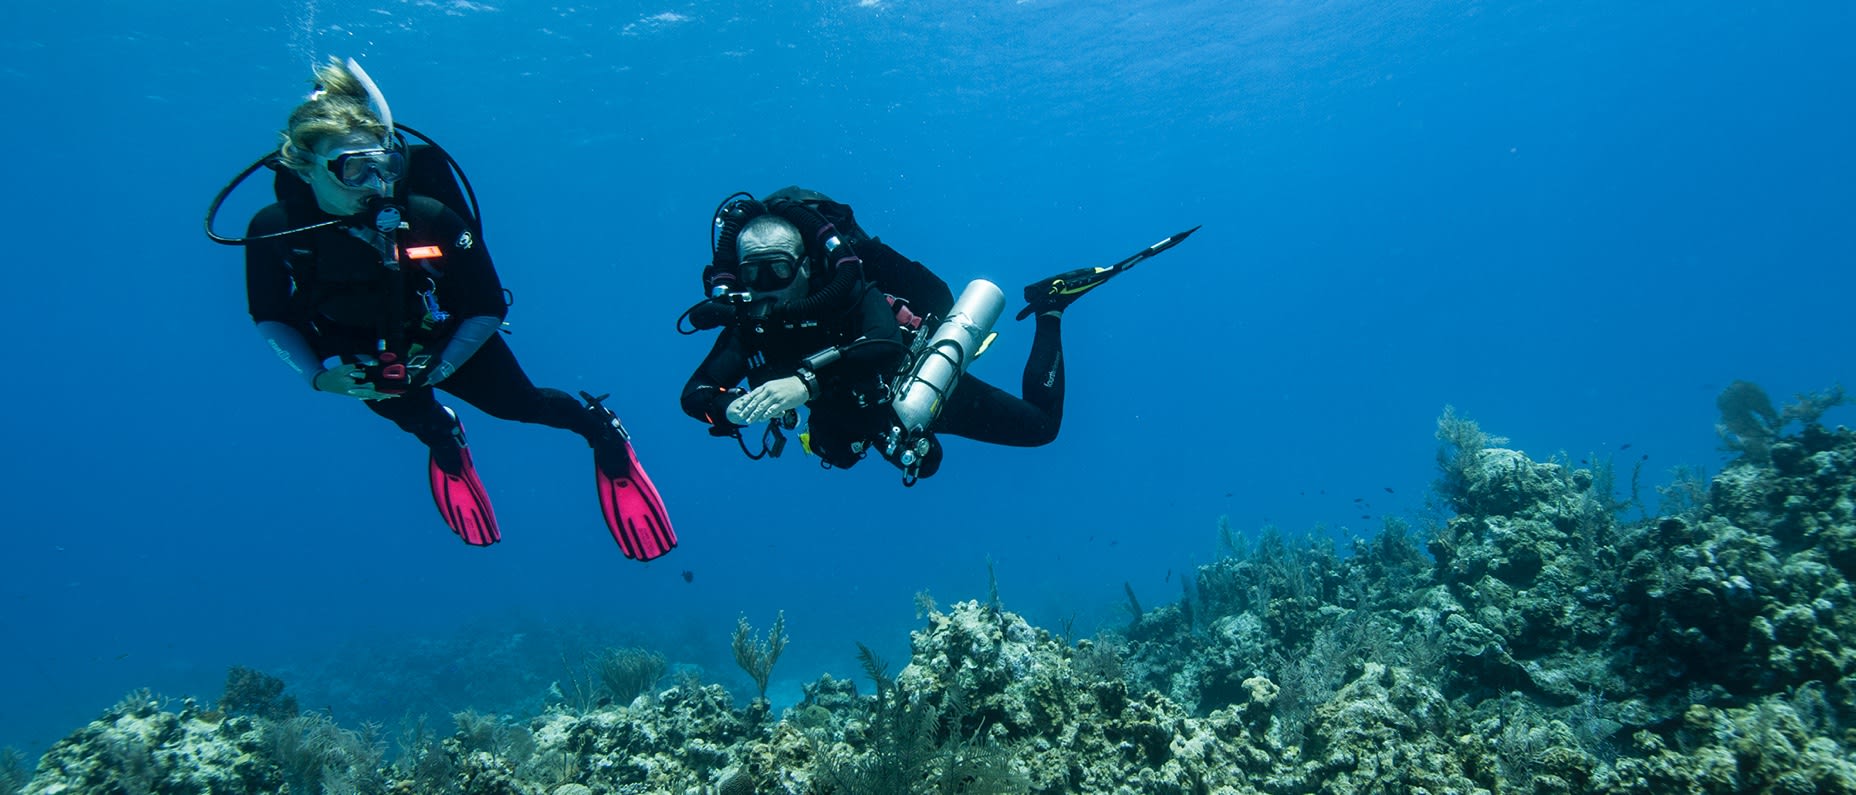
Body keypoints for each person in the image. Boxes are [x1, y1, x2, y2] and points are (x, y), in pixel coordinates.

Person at [214, 57, 673, 559]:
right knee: (416, 420)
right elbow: (269, 315)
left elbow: (487, 304)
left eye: (383, 166)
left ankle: (600, 430)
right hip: (358, 350)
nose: (375, 184)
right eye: (354, 168)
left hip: (450, 337)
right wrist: (317, 377)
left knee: (521, 406)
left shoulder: (430, 216)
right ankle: (444, 436)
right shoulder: (273, 230)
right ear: (306, 168)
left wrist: (443, 365)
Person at [678, 187, 1195, 483]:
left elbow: (881, 344)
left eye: (778, 271)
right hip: (872, 415)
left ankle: (1050, 307)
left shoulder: (851, 293)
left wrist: (804, 384)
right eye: (751, 275)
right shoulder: (752, 325)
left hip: (910, 380)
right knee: (918, 465)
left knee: (1041, 429)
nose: (765, 288)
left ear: (808, 268)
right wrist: (725, 408)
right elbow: (695, 393)